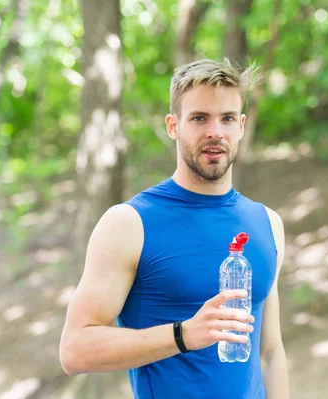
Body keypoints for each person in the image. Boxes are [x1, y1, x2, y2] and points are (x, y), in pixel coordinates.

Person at [59, 58, 289, 399]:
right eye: (199, 118)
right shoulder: (129, 223)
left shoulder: (267, 223)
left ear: (240, 126)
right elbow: (74, 349)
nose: (215, 131)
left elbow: (270, 352)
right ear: (173, 126)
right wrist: (183, 335)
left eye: (226, 118)